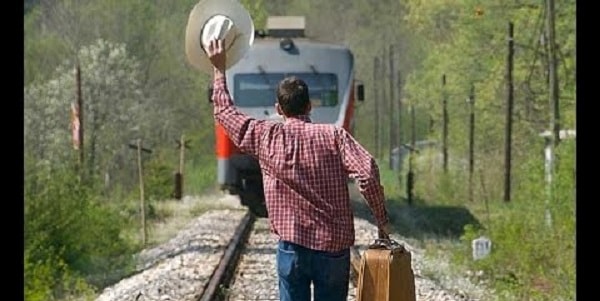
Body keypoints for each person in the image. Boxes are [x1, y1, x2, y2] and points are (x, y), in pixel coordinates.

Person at [205, 38, 391, 301]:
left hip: (292, 247)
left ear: (279, 109)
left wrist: (219, 69)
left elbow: (225, 112)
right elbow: (368, 172)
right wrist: (381, 219)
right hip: (333, 248)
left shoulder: (265, 136)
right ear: (309, 105)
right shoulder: (335, 137)